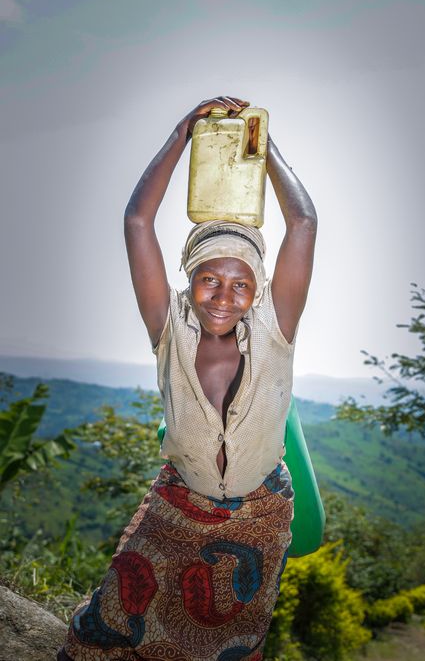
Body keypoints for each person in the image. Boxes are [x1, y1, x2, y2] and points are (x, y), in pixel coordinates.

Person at [58, 96, 317, 661]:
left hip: (260, 512)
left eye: (240, 284)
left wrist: (260, 144)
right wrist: (182, 134)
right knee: (115, 616)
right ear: (189, 279)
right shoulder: (168, 330)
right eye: (209, 279)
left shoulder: (276, 330)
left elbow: (303, 221)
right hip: (178, 503)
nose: (224, 296)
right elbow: (136, 222)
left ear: (258, 291)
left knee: (230, 639)